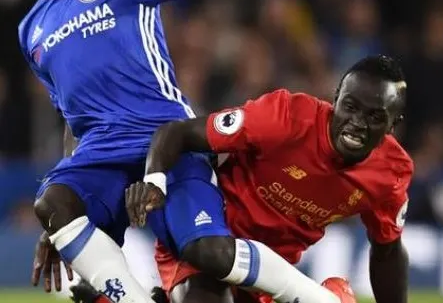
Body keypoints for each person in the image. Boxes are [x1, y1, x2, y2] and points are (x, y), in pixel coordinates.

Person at [21, 0, 342, 303]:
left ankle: (324, 300)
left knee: (206, 252)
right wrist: (68, 227)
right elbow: (72, 119)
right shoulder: (31, 30)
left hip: (165, 139)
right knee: (53, 201)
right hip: (102, 154)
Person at [124, 55, 412, 303]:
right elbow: (179, 133)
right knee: (206, 286)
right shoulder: (285, 117)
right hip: (209, 237)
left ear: (393, 124)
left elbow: (387, 251)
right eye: (350, 107)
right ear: (335, 98)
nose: (357, 123)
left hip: (266, 275)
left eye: (375, 117)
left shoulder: (391, 173)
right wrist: (154, 181)